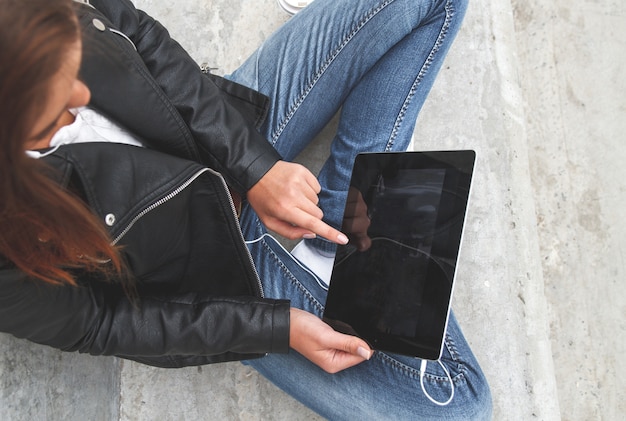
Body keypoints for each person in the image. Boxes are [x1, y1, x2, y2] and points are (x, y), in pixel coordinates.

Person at [0, 0, 492, 418]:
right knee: (459, 402)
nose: (84, 95)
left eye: (76, 66)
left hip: (220, 134)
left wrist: (256, 168)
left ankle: (341, 211)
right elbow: (104, 323)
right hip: (212, 269)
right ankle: (349, 227)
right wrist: (280, 329)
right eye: (57, 110)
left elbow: (143, 42)